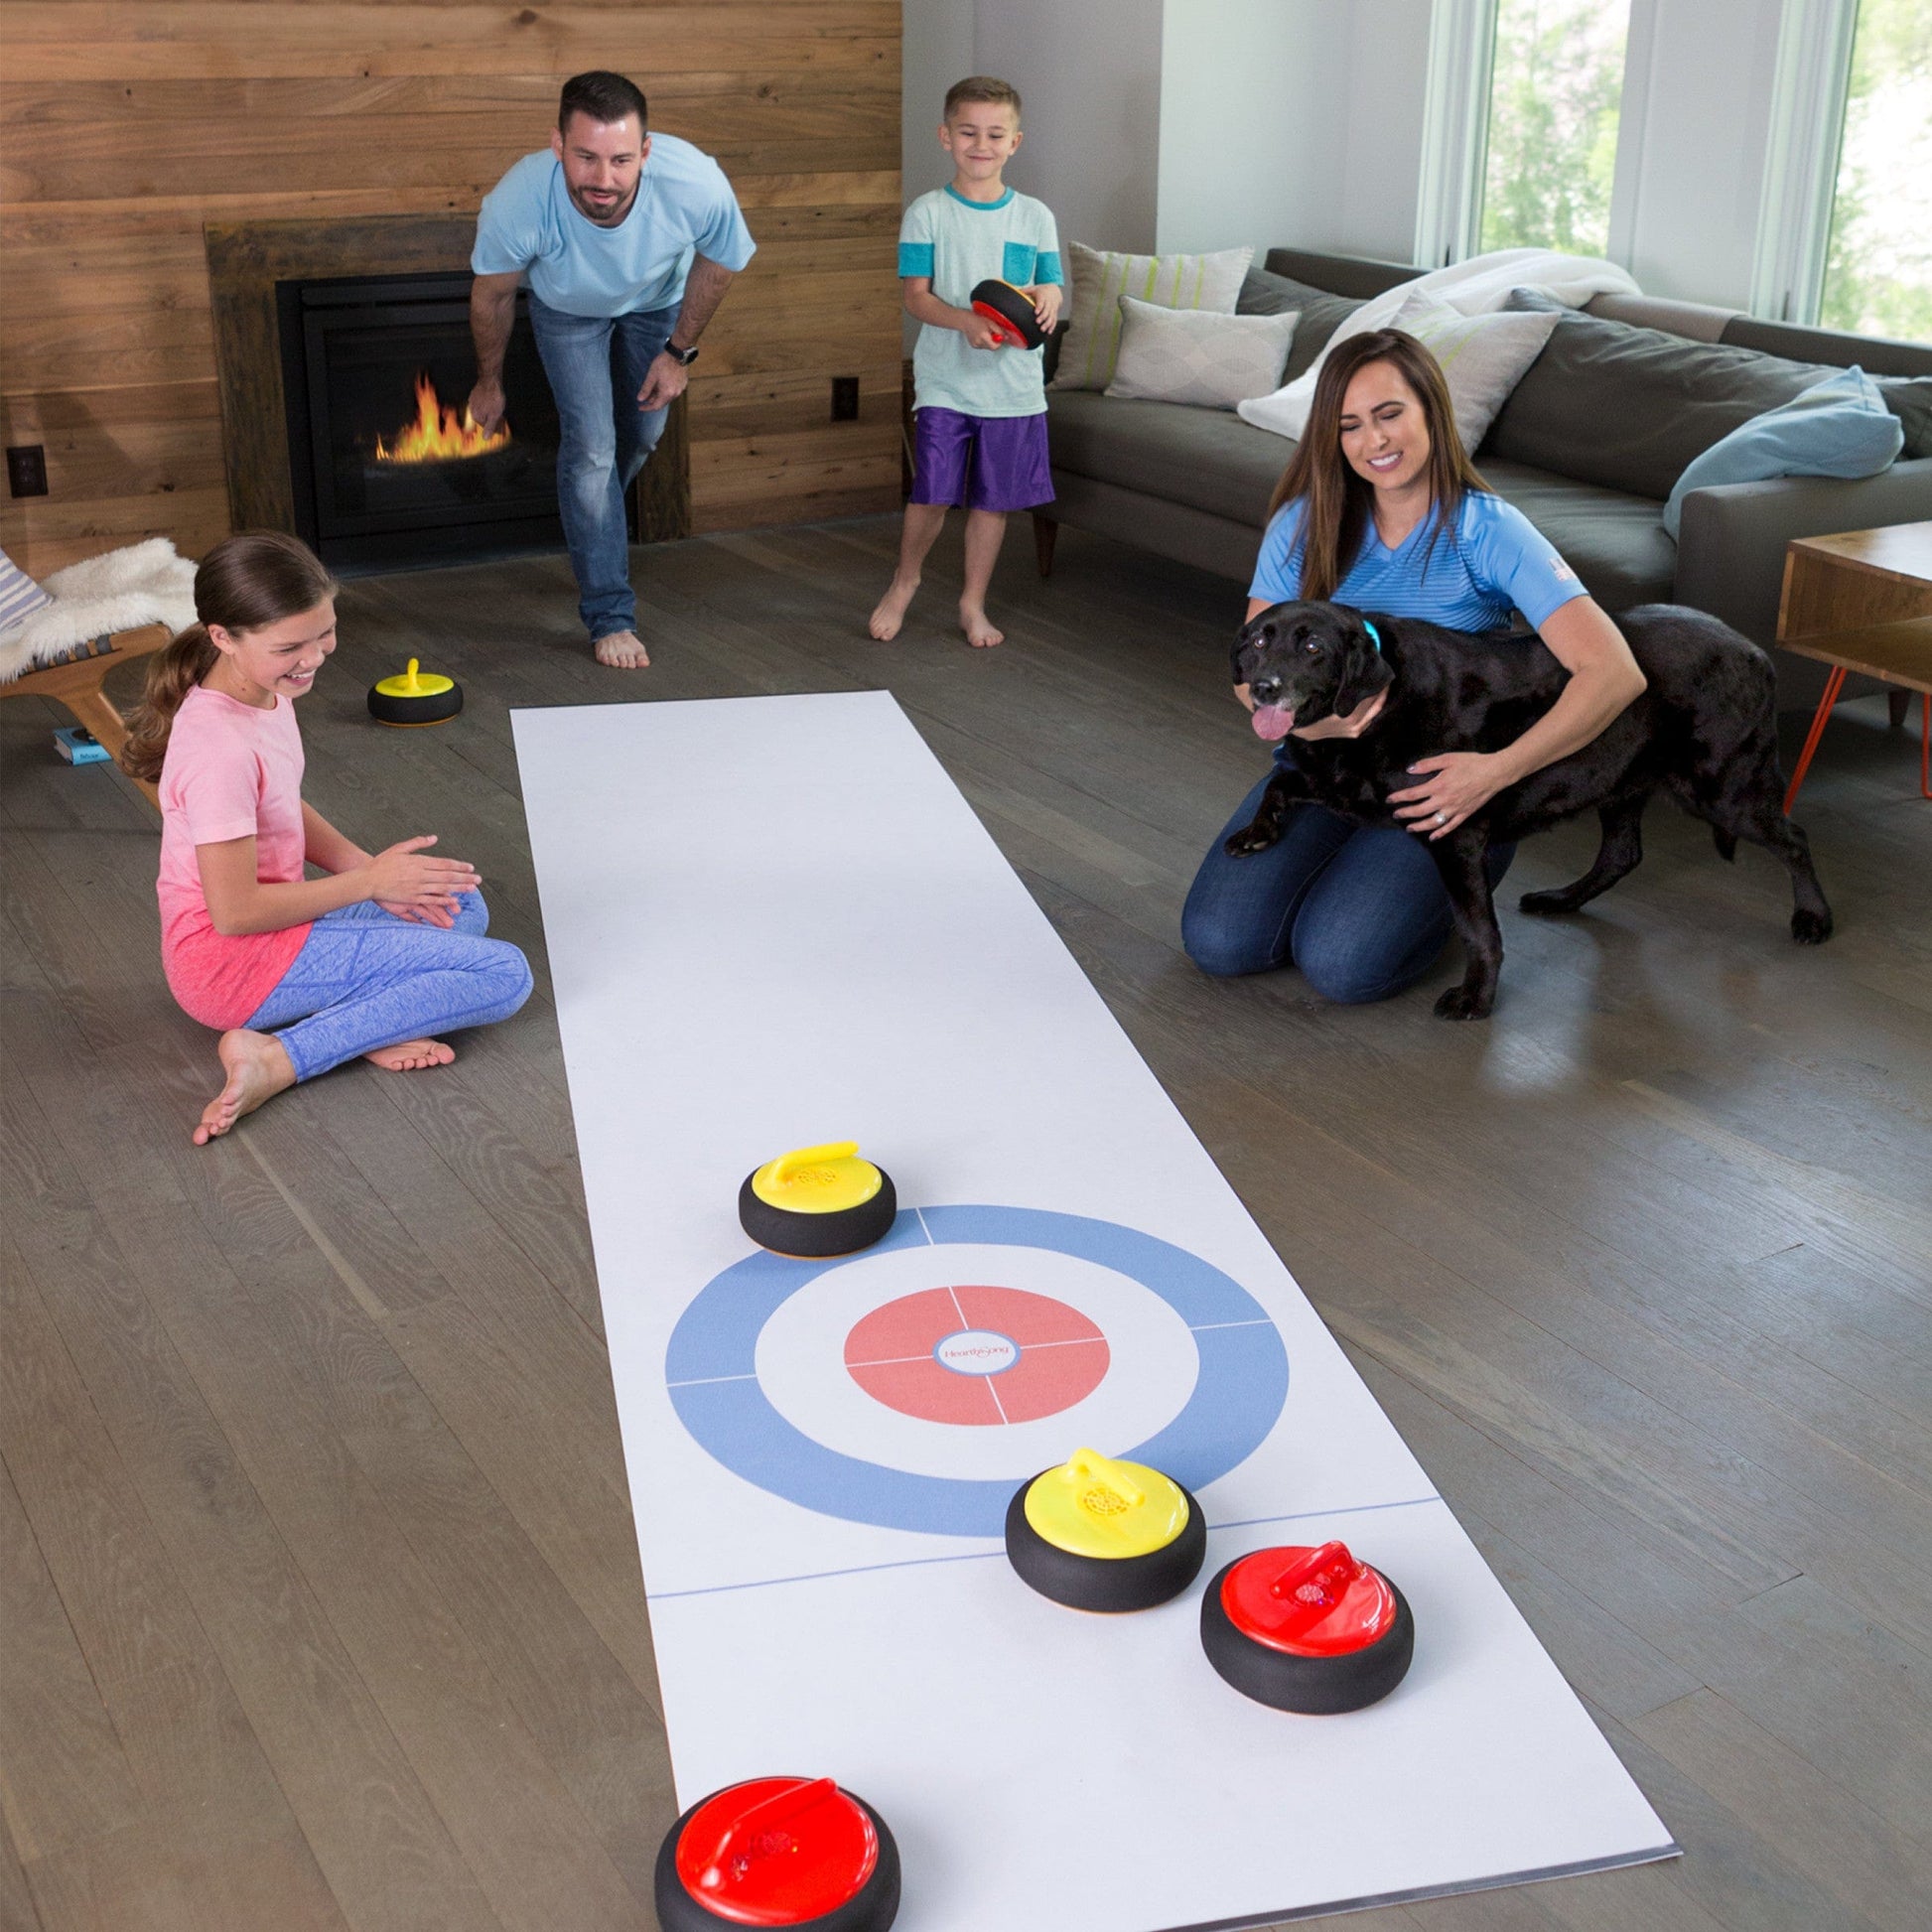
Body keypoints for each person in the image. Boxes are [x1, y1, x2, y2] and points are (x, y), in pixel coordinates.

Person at [1181, 328, 1647, 1004]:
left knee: (1342, 965)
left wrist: (1496, 772)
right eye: (1350, 426)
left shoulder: (1489, 529)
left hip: (1442, 788)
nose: (1375, 441)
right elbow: (1247, 671)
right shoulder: (1303, 523)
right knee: (1220, 944)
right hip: (1322, 770)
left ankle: (1436, 888)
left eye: (1390, 413)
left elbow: (1615, 673)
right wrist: (1317, 733)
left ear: (1431, 409)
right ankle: (1357, 881)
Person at [120, 532, 533, 1146]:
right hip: (230, 966)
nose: (313, 658)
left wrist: (379, 877)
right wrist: (369, 883)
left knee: (455, 902)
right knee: (506, 974)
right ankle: (277, 1058)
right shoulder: (218, 749)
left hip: (274, 937)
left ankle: (363, 1022)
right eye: (290, 646)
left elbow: (283, 801)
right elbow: (233, 915)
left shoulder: (260, 684)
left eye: (324, 633)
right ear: (223, 637)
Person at [467, 69, 757, 670]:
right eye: (586, 158)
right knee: (593, 449)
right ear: (558, 146)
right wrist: (488, 380)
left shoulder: (694, 181)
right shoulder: (520, 198)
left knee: (641, 438)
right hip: (569, 312)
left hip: (657, 309)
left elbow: (721, 263)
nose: (604, 180)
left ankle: (592, 523)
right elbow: (491, 296)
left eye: (622, 160)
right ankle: (609, 612)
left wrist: (677, 355)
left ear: (646, 151)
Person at [870, 75, 1062, 649]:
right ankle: (905, 581)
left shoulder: (1035, 217)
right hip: (946, 381)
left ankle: (971, 603)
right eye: (968, 132)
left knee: (993, 500)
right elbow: (916, 297)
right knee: (931, 489)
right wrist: (967, 322)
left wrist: (1051, 297)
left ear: (1015, 143)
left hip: (1013, 385)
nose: (982, 144)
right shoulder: (926, 213)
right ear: (945, 137)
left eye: (995, 134)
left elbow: (1049, 287)